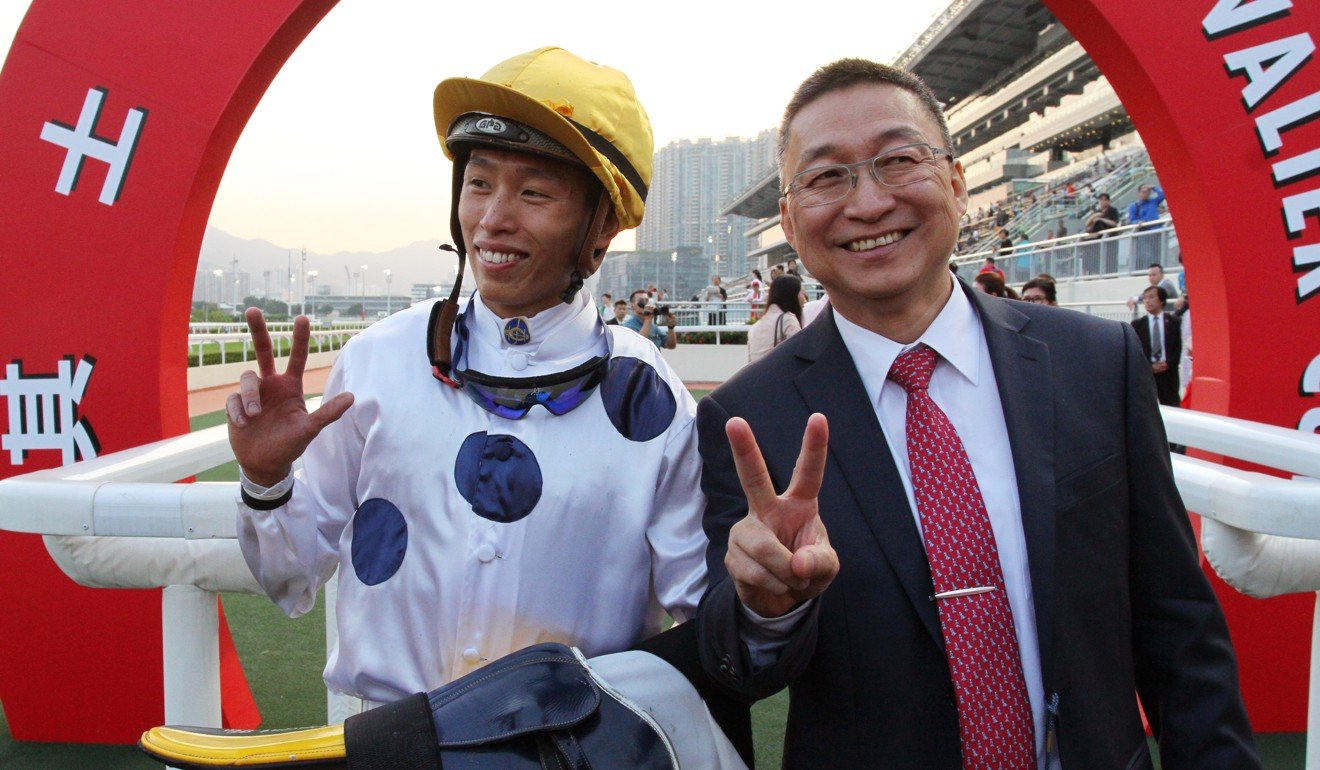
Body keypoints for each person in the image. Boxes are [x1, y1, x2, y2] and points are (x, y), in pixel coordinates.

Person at [695, 57, 1257, 768]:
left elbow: (1177, 622)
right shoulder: (748, 419)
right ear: (788, 219)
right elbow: (735, 666)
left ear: (957, 182)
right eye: (827, 176)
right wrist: (765, 609)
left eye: (898, 160)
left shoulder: (1094, 364)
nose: (868, 204)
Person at [227, 47, 714, 722]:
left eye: (534, 193)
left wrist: (767, 589)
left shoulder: (652, 400)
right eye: (479, 183)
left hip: (570, 752)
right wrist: (266, 481)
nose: (492, 219)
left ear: (602, 225)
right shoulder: (376, 360)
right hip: (388, 743)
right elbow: (292, 572)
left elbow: (706, 613)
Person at [1132, 285, 1182, 407]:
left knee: (1171, 405)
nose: (1147, 301)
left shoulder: (1174, 322)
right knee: (1146, 407)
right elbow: (1136, 351)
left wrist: (1168, 364)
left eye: (1151, 297)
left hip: (1168, 373)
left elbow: (1177, 347)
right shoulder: (1137, 325)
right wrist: (1150, 366)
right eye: (1145, 298)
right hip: (1147, 373)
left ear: (1161, 300)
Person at [747, 274, 804, 364]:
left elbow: (750, 363)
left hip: (759, 372)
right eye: (801, 292)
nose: (804, 298)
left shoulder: (755, 327)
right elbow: (799, 355)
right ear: (792, 295)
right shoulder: (788, 320)